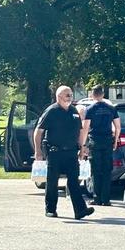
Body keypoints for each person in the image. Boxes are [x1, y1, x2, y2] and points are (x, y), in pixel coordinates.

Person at [33, 85, 95, 220]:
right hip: (54, 151)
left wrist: (82, 147)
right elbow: (39, 131)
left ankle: (80, 210)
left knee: (74, 181)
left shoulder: (73, 111)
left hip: (71, 152)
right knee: (52, 181)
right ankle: (50, 209)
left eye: (71, 95)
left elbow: (80, 131)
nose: (70, 97)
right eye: (67, 95)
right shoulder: (51, 111)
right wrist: (38, 151)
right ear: (59, 97)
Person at [82, 85, 121, 206]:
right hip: (108, 141)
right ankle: (106, 199)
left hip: (95, 141)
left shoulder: (90, 109)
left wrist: (83, 144)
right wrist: (116, 140)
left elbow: (85, 128)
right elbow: (118, 127)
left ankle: (97, 198)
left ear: (92, 95)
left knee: (96, 170)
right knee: (107, 169)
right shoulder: (111, 108)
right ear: (103, 94)